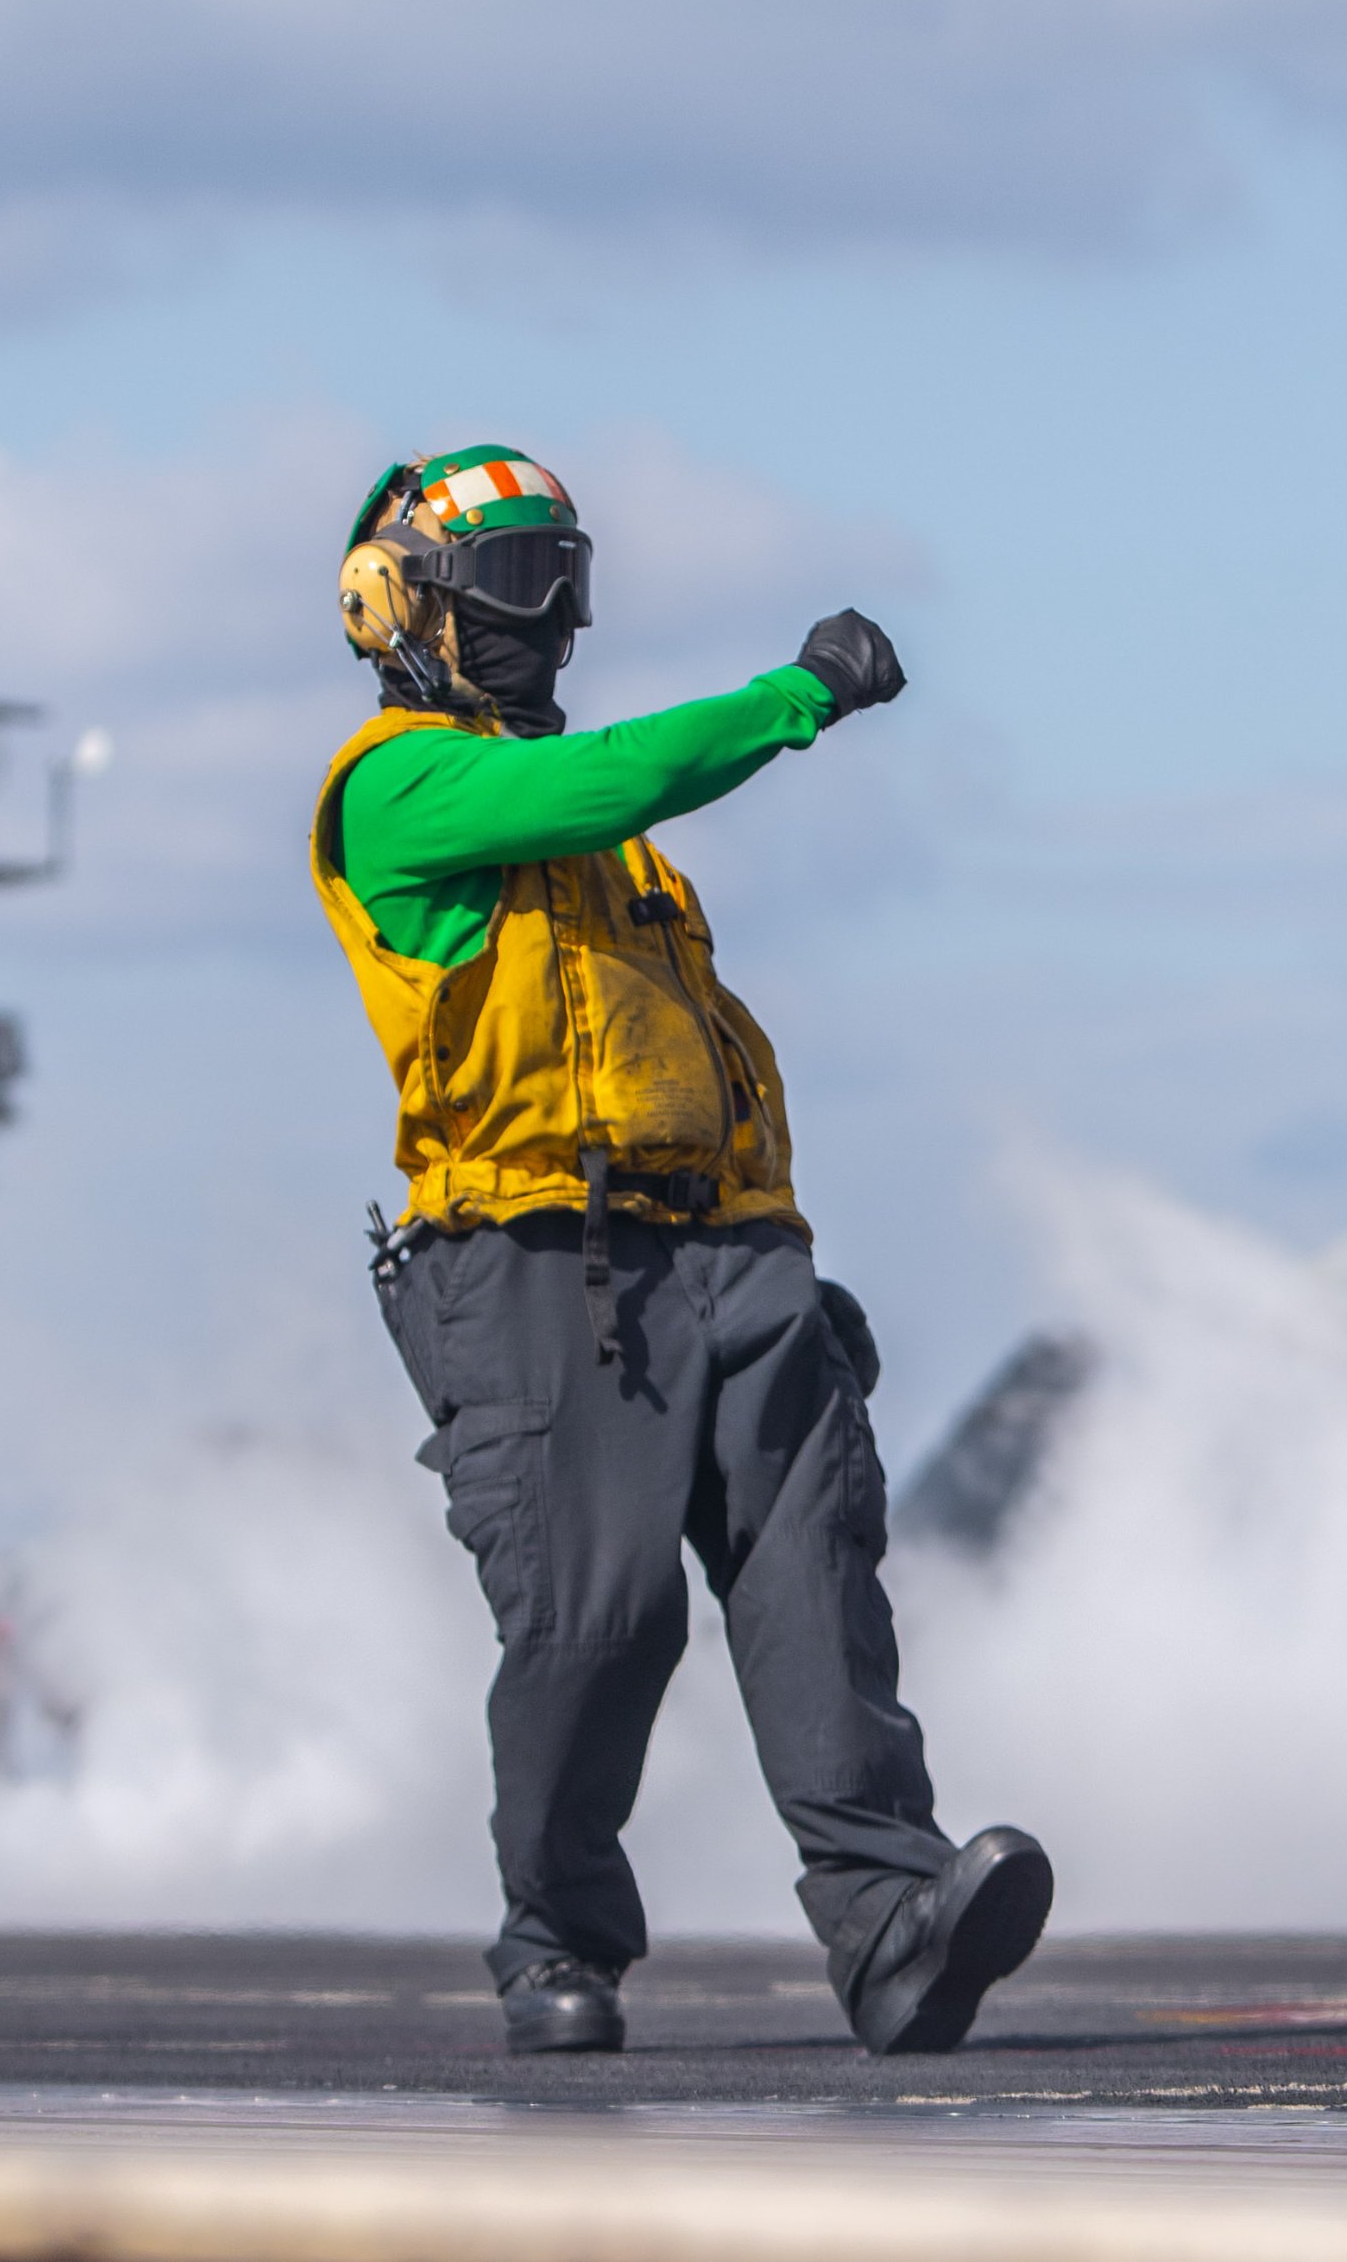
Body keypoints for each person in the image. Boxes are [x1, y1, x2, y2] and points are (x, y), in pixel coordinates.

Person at [311, 445, 1049, 2060]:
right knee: (603, 1614)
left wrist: (776, 1251)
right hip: (533, 1269)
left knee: (815, 1579)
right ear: (401, 610)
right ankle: (554, 1939)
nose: (550, 626)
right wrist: (798, 695)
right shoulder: (397, 787)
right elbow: (620, 773)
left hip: (723, 1251)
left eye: (564, 583)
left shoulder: (615, 858)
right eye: (514, 588)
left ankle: (892, 1925)